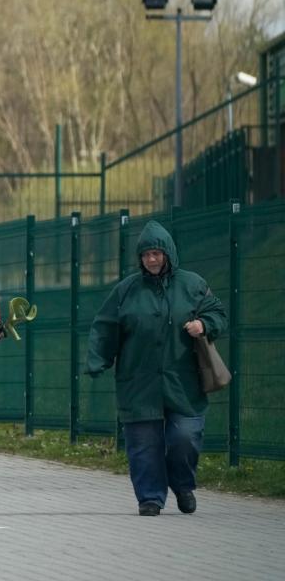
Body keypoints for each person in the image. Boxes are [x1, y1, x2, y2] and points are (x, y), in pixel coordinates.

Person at [86, 220, 227, 517]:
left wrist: (204, 324)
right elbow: (105, 327)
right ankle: (150, 497)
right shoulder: (126, 290)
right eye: (146, 254)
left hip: (184, 380)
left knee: (185, 437)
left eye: (157, 254)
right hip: (138, 382)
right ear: (140, 258)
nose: (152, 259)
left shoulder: (193, 285)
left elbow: (217, 312)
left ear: (168, 254)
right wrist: (98, 359)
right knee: (143, 443)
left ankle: (182, 484)